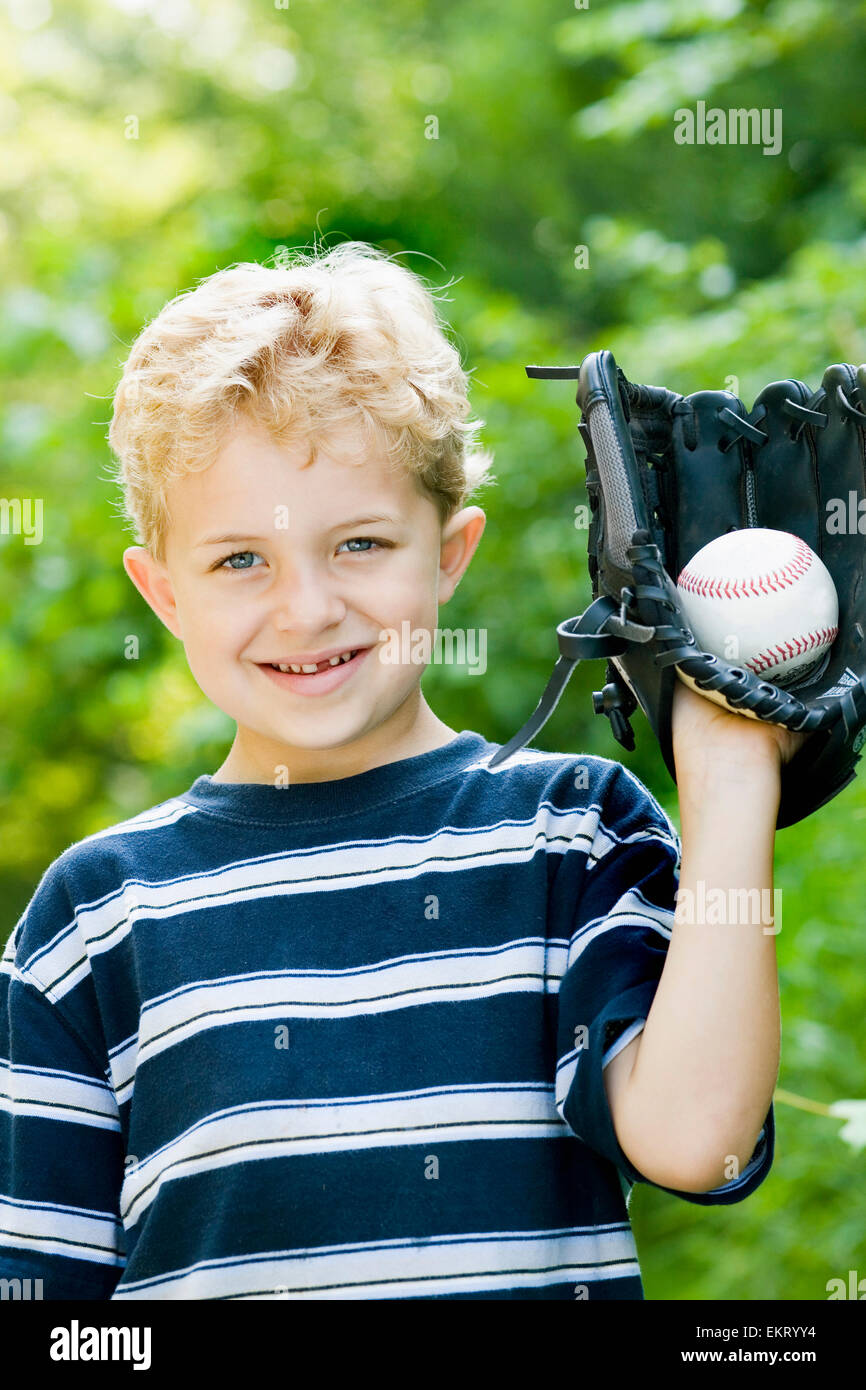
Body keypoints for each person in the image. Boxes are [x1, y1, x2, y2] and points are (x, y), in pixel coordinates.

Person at [0, 242, 804, 1300]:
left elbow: (694, 1137)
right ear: (163, 595)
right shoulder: (95, 919)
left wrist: (732, 775)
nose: (307, 609)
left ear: (449, 551)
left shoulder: (570, 833)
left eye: (361, 545)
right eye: (240, 559)